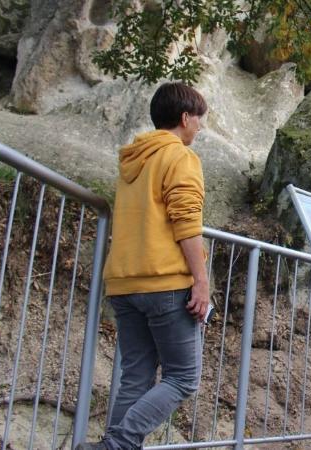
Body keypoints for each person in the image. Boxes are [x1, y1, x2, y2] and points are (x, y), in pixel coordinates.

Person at [76, 82, 210, 450]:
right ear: (185, 118)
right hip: (164, 282)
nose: (199, 128)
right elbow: (186, 222)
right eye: (199, 120)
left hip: (123, 283)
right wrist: (201, 281)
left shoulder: (134, 160)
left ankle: (111, 444)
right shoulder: (180, 158)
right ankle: (117, 445)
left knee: (135, 375)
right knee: (183, 377)